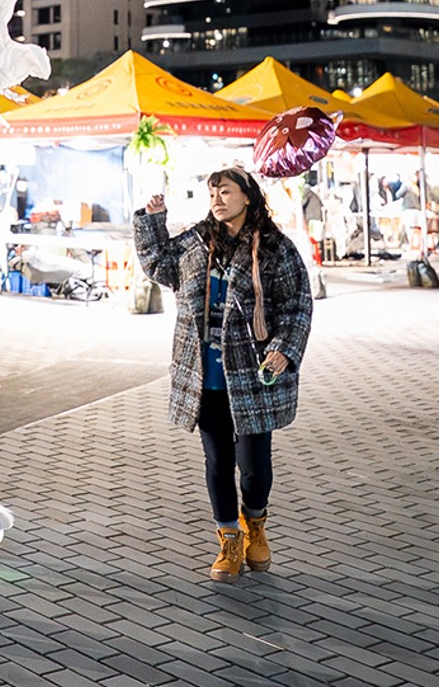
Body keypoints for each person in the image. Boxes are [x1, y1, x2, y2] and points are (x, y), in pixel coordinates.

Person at [134, 169, 313, 581]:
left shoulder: (273, 249)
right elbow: (159, 266)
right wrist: (152, 220)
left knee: (254, 467)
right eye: (213, 192)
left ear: (247, 197)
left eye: (226, 191)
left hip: (252, 375)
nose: (217, 198)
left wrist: (284, 349)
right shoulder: (198, 241)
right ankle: (229, 539)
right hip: (206, 376)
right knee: (217, 461)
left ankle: (256, 525)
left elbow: (298, 303)